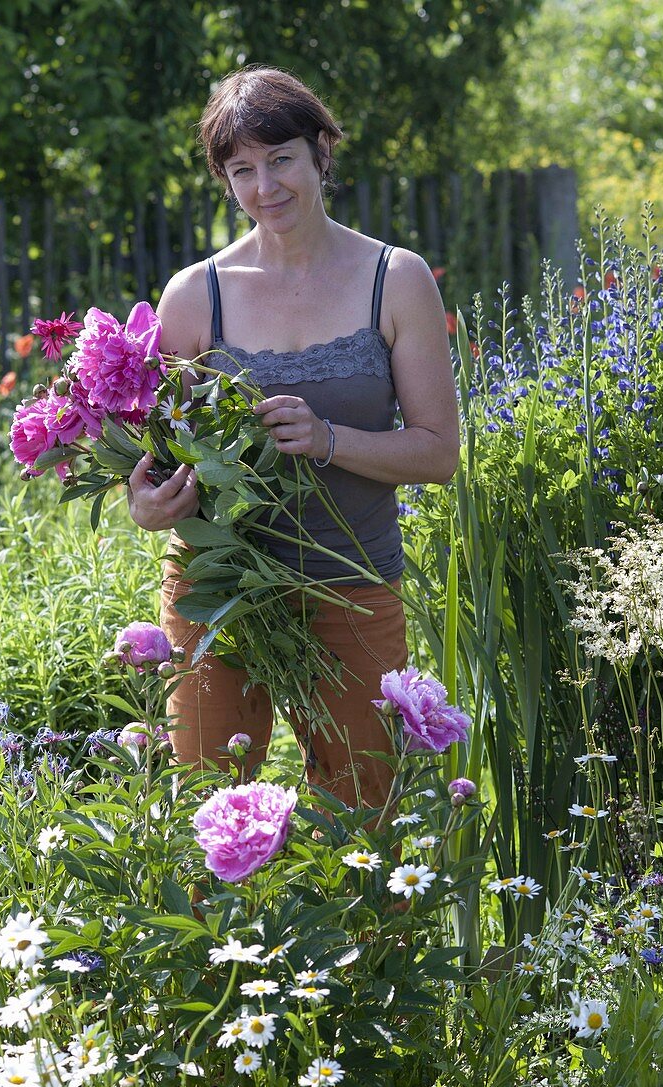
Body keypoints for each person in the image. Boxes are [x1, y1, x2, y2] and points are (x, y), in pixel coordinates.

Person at [126, 65, 459, 808]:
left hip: (352, 583)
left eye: (279, 160)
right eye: (241, 170)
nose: (264, 186)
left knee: (367, 819)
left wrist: (328, 437)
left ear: (319, 152)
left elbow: (438, 451)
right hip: (218, 593)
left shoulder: (393, 278)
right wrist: (144, 504)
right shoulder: (195, 293)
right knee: (206, 815)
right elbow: (156, 456)